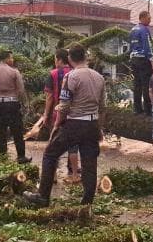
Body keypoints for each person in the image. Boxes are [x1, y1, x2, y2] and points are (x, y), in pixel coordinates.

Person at [24, 43, 106, 207]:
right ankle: (87, 203)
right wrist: (99, 128)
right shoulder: (99, 77)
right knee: (90, 163)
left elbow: (64, 104)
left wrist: (57, 124)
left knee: (50, 154)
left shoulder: (71, 77)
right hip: (92, 123)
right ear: (85, 57)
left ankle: (43, 196)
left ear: (69, 59)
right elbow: (103, 107)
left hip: (75, 123)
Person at [40, 48, 80, 183]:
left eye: (55, 59)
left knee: (54, 144)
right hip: (74, 114)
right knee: (73, 145)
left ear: (58, 59)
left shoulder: (53, 74)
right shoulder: (75, 73)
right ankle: (75, 174)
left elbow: (50, 97)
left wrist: (46, 115)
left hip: (58, 113)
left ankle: (54, 176)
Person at [0, 50, 31, 164]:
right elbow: (21, 90)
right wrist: (25, 104)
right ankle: (21, 157)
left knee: (0, 132)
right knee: (17, 131)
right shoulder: (14, 72)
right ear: (6, 59)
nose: (13, 60)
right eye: (11, 58)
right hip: (11, 104)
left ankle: (3, 158)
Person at [129, 11, 153, 115]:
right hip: (143, 59)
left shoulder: (133, 29)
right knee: (146, 85)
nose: (150, 20)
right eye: (148, 18)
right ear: (142, 18)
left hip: (134, 59)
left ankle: (137, 109)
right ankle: (148, 110)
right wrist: (152, 59)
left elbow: (130, 45)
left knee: (137, 84)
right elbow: (147, 45)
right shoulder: (144, 30)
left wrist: (130, 57)